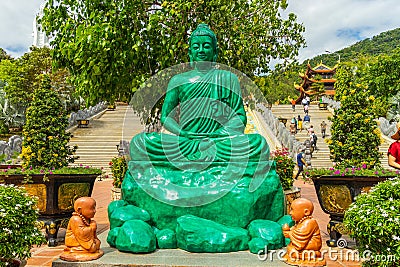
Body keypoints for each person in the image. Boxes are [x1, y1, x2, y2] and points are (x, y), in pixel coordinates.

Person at [282, 198, 326, 266]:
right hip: (304, 246)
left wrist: (289, 233)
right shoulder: (301, 221)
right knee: (290, 248)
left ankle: (312, 255)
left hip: (311, 246)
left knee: (292, 251)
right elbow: (297, 230)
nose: (290, 213)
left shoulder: (310, 222)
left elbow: (300, 236)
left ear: (306, 212)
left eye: (292, 210)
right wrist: (289, 231)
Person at [61, 197, 103, 261]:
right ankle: (74, 249)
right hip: (76, 241)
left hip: (85, 241)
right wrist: (92, 227)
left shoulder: (86, 218)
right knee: (93, 248)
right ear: (80, 210)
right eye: (92, 208)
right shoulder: (75, 219)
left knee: (97, 243)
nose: (95, 211)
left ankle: (83, 249)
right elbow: (81, 233)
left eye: (94, 208)